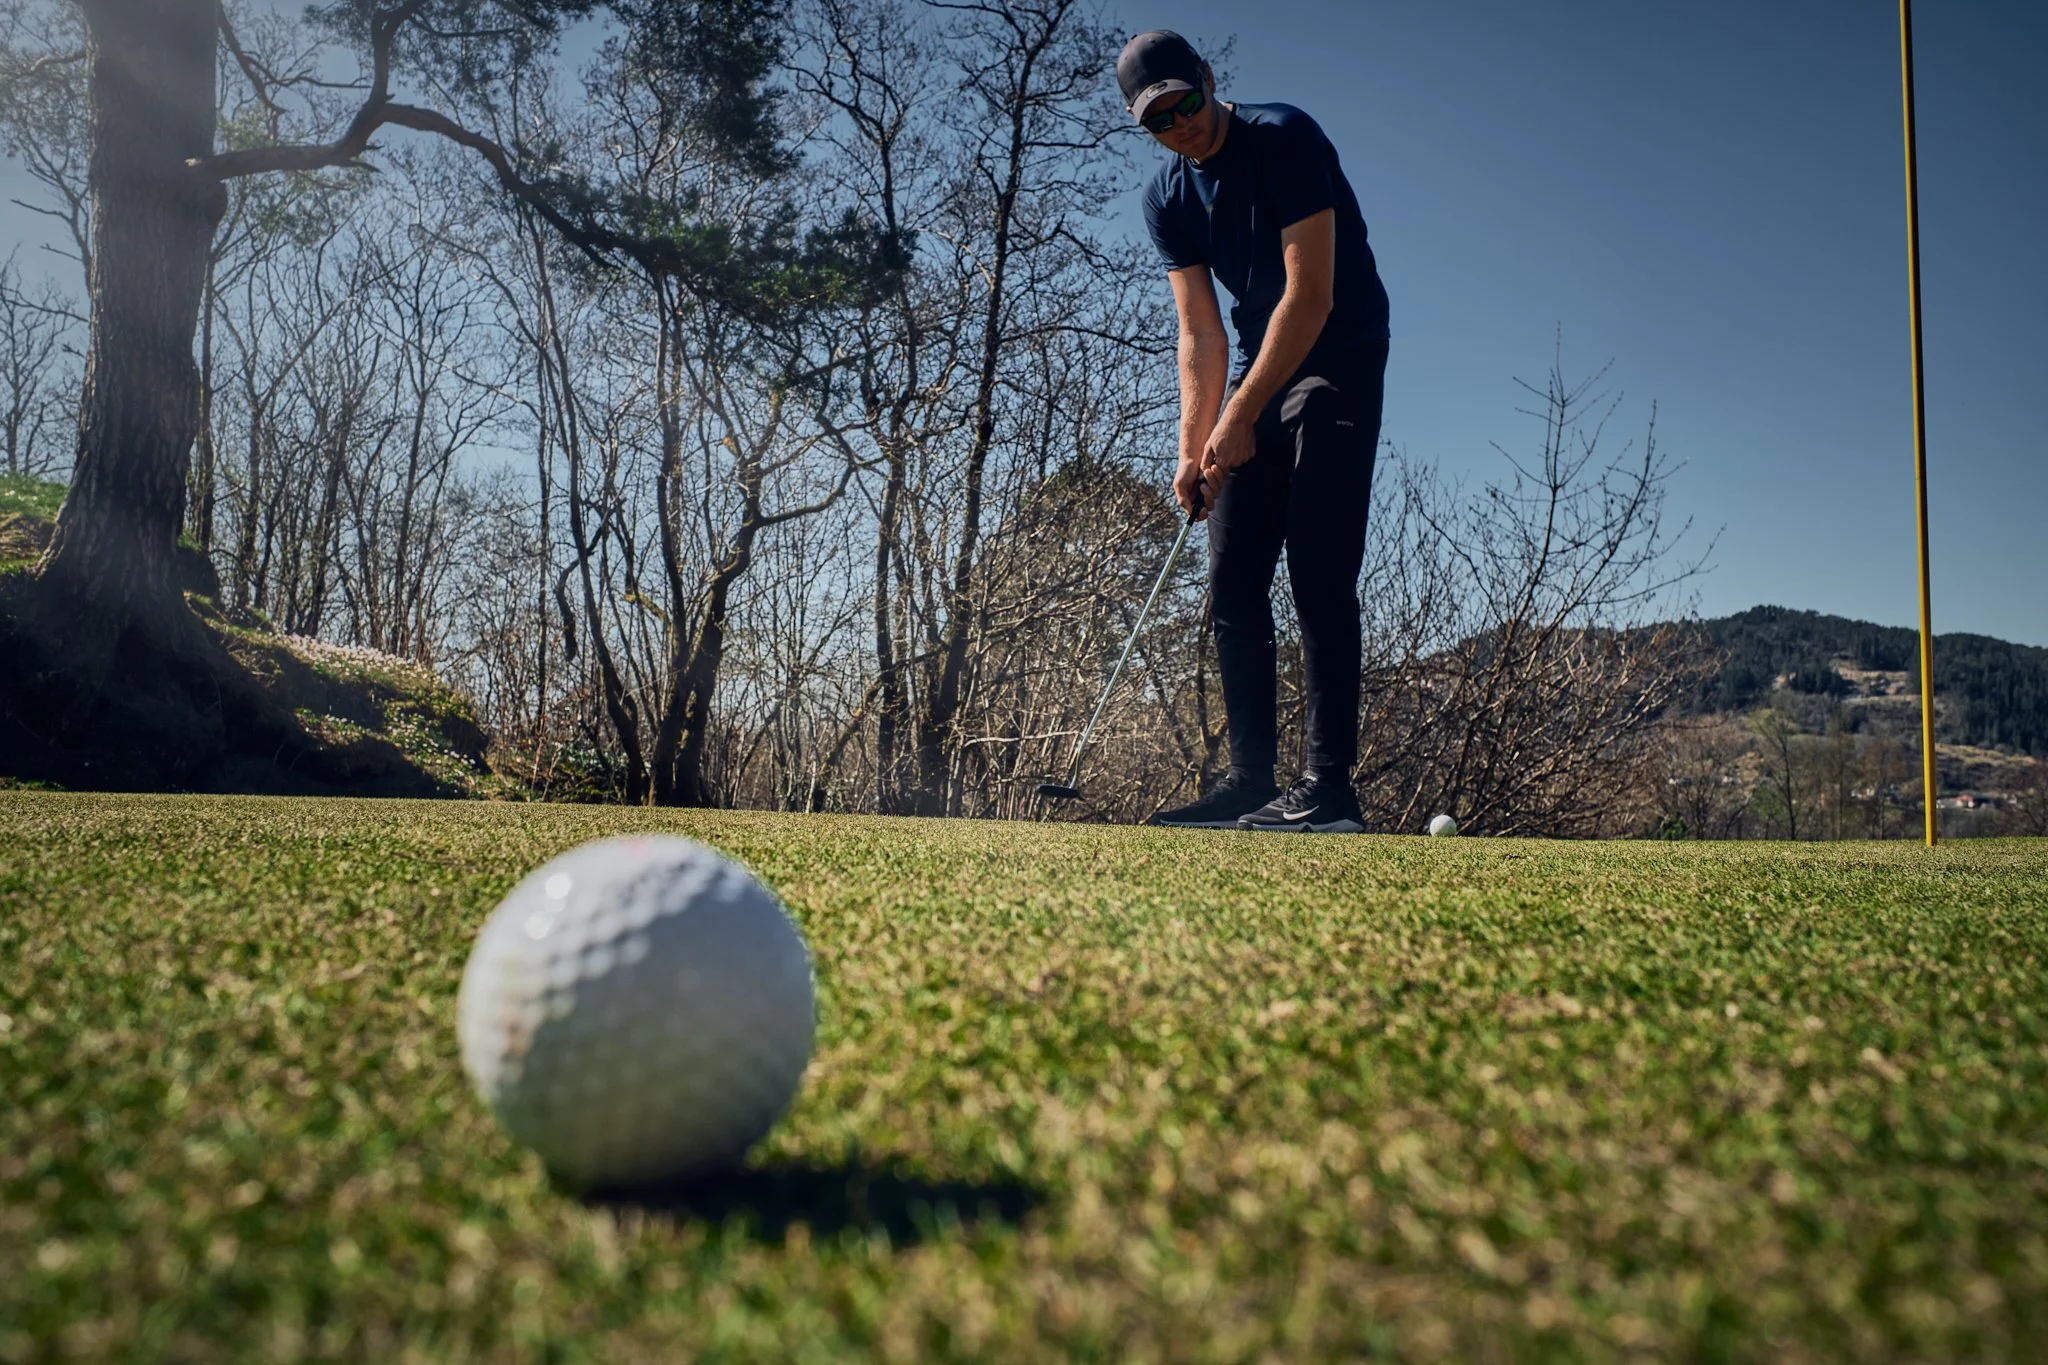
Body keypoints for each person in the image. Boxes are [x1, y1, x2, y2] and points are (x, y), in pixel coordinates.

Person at [1119, 30, 1392, 833]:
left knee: (1318, 565)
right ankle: (1248, 784)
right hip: (1260, 370)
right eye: (1160, 120)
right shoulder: (1166, 198)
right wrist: (1193, 443)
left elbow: (1310, 297)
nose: (1182, 125)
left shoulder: (1285, 139)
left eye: (1187, 102)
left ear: (1209, 80)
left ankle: (1330, 790)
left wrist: (1239, 416)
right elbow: (1201, 332)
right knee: (1233, 576)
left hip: (1338, 353)